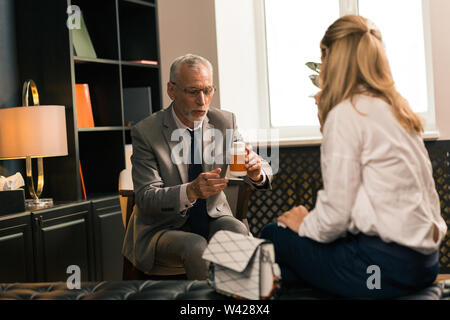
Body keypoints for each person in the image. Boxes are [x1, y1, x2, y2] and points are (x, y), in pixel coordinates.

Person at [260, 15, 447, 299]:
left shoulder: (347, 113)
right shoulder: (397, 110)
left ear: (330, 56)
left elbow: (336, 216)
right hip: (424, 265)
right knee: (290, 269)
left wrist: (303, 223)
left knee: (274, 234)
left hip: (380, 271)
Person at [122, 54, 273, 280]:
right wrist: (190, 191)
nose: (202, 101)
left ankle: (238, 301)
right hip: (162, 227)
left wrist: (256, 171)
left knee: (238, 231)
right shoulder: (146, 132)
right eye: (193, 92)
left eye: (208, 90)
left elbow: (263, 166)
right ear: (171, 90)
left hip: (213, 216)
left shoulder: (224, 121)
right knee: (196, 246)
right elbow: (146, 198)